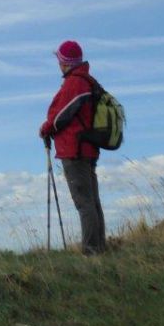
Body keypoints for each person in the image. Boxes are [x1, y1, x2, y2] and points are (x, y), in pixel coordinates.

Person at [39, 40, 107, 255]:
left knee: (84, 202)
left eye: (59, 59)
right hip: (87, 148)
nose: (58, 63)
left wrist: (46, 128)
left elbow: (62, 115)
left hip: (75, 149)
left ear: (64, 62)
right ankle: (99, 249)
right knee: (91, 201)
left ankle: (91, 252)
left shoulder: (75, 83)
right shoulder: (87, 80)